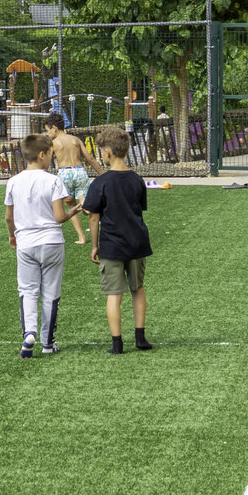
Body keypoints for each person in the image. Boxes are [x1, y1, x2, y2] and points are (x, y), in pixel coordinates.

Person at [5, 134, 79, 358]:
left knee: (27, 290)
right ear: (42, 154)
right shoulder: (53, 180)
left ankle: (29, 333)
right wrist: (73, 211)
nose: (52, 160)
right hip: (52, 242)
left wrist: (12, 236)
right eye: (51, 155)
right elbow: (58, 217)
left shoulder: (13, 181)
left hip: (25, 242)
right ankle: (48, 343)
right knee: (50, 291)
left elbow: (9, 217)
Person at [81, 127, 154, 355]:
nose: (101, 154)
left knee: (114, 294)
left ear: (109, 152)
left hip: (112, 246)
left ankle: (117, 343)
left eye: (102, 151)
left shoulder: (100, 183)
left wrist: (94, 245)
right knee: (138, 288)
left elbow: (93, 216)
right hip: (137, 242)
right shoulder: (137, 179)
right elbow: (139, 208)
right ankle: (140, 337)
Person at [45, 112, 105, 244]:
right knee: (84, 202)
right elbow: (89, 158)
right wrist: (103, 174)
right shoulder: (75, 140)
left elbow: (46, 161)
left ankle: (82, 237)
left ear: (54, 128)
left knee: (71, 204)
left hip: (65, 174)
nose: (48, 134)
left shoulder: (53, 142)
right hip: (80, 172)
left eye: (48, 131)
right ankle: (86, 205)